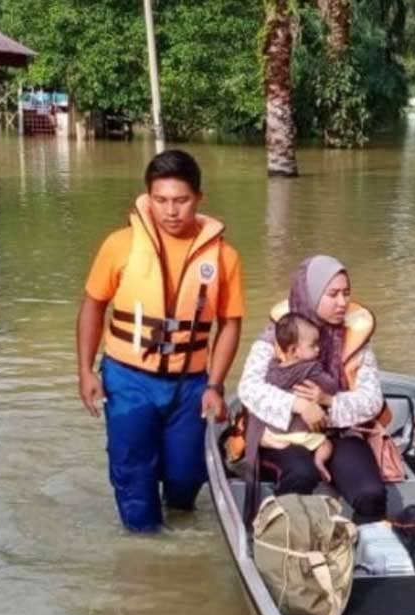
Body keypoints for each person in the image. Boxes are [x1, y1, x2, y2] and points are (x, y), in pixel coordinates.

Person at [76, 149, 245, 533]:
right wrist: (85, 370)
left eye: (181, 200)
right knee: (133, 474)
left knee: (188, 475)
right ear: (148, 198)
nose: (171, 211)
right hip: (128, 378)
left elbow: (230, 324)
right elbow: (92, 307)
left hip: (190, 384)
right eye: (161, 200)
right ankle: (144, 554)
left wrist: (216, 385)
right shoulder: (119, 245)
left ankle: (180, 529)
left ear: (198, 198)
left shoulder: (224, 257)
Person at [238, 255, 386, 523]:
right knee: (301, 473)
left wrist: (328, 401)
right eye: (333, 294)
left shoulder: (357, 339)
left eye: (346, 293)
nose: (343, 302)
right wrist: (301, 405)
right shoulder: (278, 335)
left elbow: (372, 399)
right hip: (283, 432)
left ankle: (364, 555)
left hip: (338, 432)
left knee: (371, 493)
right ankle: (282, 541)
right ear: (311, 294)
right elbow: (248, 387)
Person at [245, 314, 337, 486]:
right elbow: (331, 386)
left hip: (274, 433)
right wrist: (326, 395)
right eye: (314, 346)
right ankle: (319, 462)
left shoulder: (272, 367)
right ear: (294, 350)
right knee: (326, 445)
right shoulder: (311, 368)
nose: (318, 349)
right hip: (302, 434)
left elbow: (257, 387)